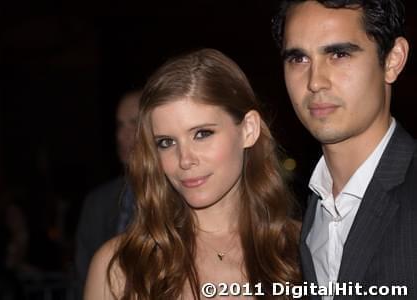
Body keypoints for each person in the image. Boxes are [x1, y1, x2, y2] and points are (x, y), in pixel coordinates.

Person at [84, 48, 301, 299]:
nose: (185, 160)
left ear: (248, 130)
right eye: (166, 142)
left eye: (202, 134)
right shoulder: (121, 265)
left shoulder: (303, 248)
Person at [272, 0, 416, 299]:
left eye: (339, 54)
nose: (314, 82)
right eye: (298, 59)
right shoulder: (306, 212)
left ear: (393, 60)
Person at [75, 90, 140, 297]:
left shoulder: (186, 195)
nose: (122, 136)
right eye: (119, 125)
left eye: (134, 123)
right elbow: (80, 280)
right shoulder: (98, 202)